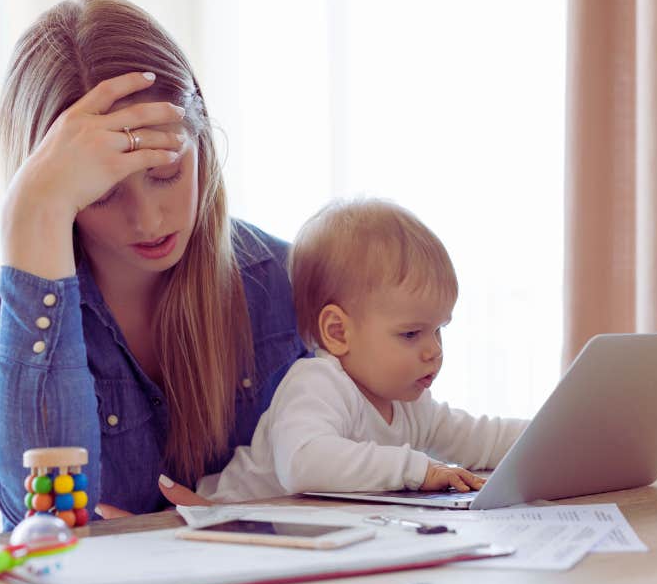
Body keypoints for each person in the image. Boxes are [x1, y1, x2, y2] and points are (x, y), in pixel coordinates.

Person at [0, 0, 307, 528]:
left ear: (202, 143)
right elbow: (45, 517)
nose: (148, 220)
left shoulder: (281, 280)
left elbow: (373, 459)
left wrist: (238, 522)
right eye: (101, 193)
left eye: (165, 173)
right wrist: (28, 218)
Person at [188, 198, 530, 504]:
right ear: (338, 332)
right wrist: (417, 469)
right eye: (411, 333)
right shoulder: (317, 383)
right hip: (223, 524)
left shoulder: (408, 402)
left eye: (439, 329)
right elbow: (303, 463)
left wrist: (559, 438)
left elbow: (478, 438)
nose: (434, 352)